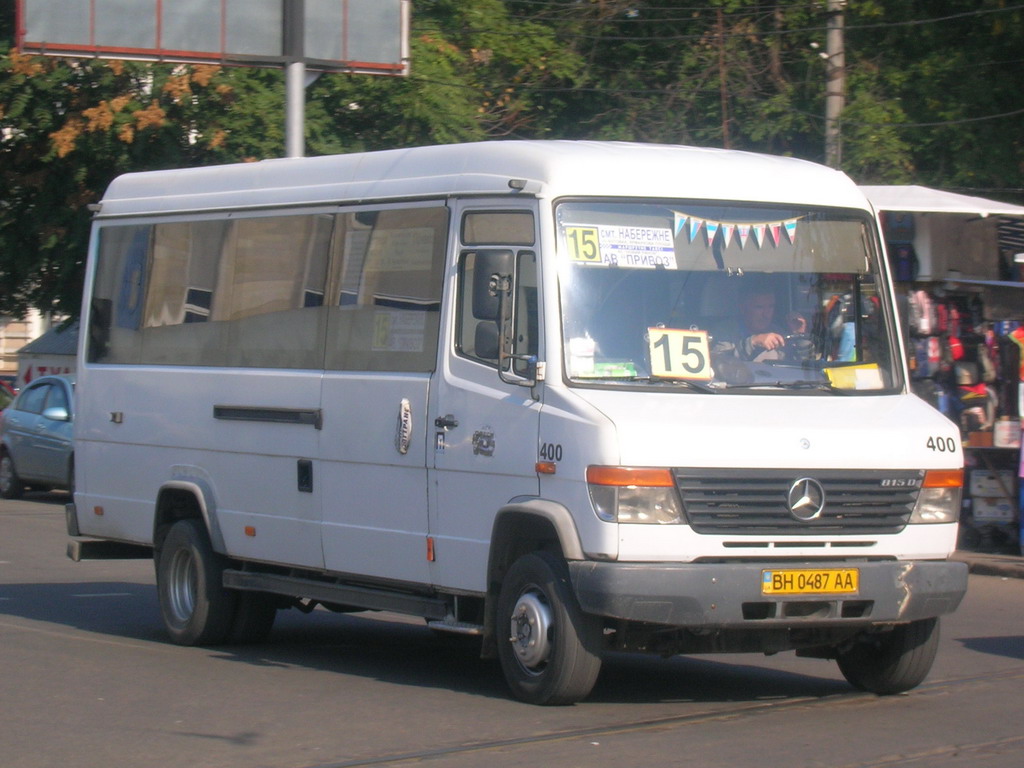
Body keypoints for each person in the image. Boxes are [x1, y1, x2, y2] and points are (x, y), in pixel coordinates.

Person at [714, 282, 805, 361]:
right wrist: (753, 342)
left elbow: (804, 369)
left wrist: (800, 336)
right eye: (759, 307)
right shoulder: (725, 332)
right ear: (743, 308)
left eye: (770, 307)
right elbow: (718, 361)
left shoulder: (778, 333)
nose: (766, 314)